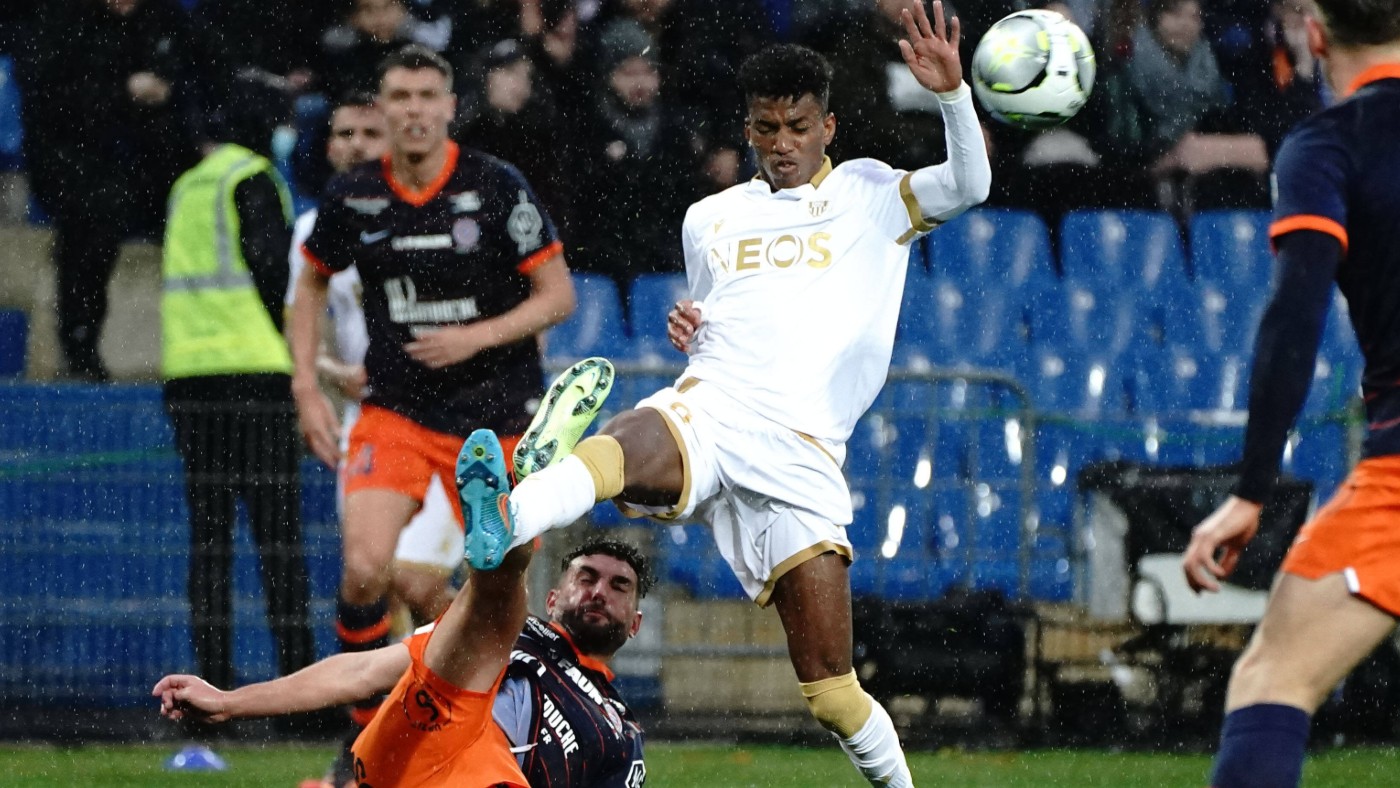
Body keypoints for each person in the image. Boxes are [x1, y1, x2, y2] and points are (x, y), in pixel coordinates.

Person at [465, 6, 990, 785]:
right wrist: (695, 327)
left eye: (798, 127)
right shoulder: (710, 218)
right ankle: (509, 515)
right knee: (629, 439)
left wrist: (951, 95)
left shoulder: (872, 194)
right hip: (715, 404)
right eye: (766, 128)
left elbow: (971, 184)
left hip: (803, 450)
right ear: (748, 130)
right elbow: (724, 312)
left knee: (833, 694)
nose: (782, 143)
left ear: (828, 127)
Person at [289, 43, 576, 737]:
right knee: (363, 570)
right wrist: (305, 386)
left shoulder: (496, 185)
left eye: (426, 97)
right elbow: (311, 284)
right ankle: (366, 743)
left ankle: (507, 722)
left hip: (497, 414)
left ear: (449, 107)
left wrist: (475, 337)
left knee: (491, 593)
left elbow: (558, 295)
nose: (414, 111)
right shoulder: (354, 195)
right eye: (400, 97)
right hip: (399, 410)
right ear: (383, 109)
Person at [1181, 2, 1400, 786]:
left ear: (1314, 34)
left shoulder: (1330, 144)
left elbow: (1293, 319)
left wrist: (1251, 491)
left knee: (1274, 675)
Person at [155, 526, 651, 787]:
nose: (598, 592)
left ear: (635, 623)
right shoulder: (521, 633)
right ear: (554, 598)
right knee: (493, 625)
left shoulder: (620, 734)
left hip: (487, 775)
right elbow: (363, 670)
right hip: (418, 744)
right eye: (586, 578)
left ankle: (510, 535)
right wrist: (229, 702)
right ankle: (509, 542)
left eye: (619, 586)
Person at [160, 75, 318, 723]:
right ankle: (301, 702)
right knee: (278, 539)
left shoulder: (188, 183)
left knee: (211, 541)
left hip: (188, 377)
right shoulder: (252, 177)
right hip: (254, 373)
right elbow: (272, 271)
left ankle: (210, 692)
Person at [288, 91, 462, 634]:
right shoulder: (311, 231)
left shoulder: (442, 212)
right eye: (345, 134)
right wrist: (328, 376)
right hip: (369, 419)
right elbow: (300, 328)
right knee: (372, 576)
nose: (356, 145)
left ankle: (514, 655)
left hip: (445, 416)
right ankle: (408, 688)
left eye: (370, 133)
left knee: (415, 580)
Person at [15, 0, 210, 380]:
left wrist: (183, 111)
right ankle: (81, 345)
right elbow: (50, 101)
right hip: (74, 156)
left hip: (149, 155)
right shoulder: (62, 21)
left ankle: (208, 349)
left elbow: (204, 71)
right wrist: (124, 92)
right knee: (93, 219)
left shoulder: (163, 19)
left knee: (210, 197)